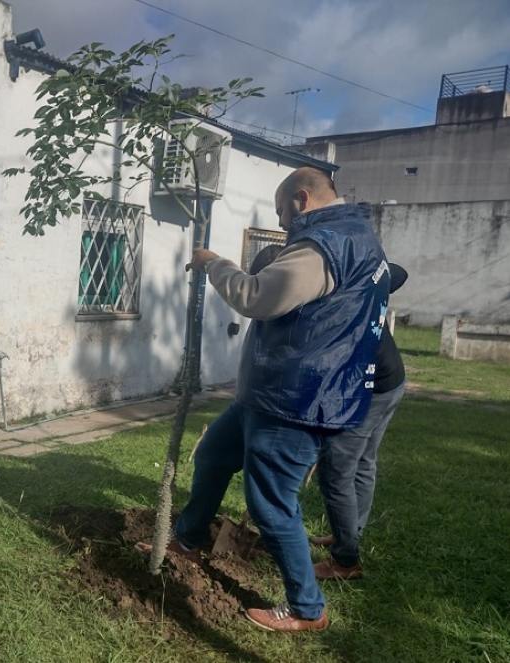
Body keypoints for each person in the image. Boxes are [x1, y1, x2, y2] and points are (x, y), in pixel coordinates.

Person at [167, 167, 390, 632]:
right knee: (212, 455)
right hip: (271, 395)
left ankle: (308, 608)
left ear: (301, 200)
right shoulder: (356, 238)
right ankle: (186, 540)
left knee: (271, 503)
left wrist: (213, 263)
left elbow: (258, 297)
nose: (281, 221)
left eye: (281, 211)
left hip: (295, 402)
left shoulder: (324, 246)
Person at [311, 263, 408, 580]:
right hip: (391, 379)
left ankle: (345, 560)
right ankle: (349, 533)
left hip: (373, 388)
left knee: (335, 470)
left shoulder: (336, 299)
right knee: (364, 460)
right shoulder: (360, 280)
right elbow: (398, 273)